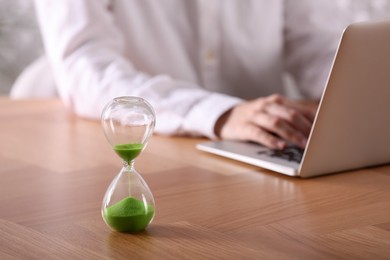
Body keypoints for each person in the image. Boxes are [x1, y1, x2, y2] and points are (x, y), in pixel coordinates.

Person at [32, 0, 344, 149]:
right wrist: (218, 113)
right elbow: (84, 65)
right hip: (148, 150)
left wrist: (352, 91)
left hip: (270, 144)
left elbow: (316, 43)